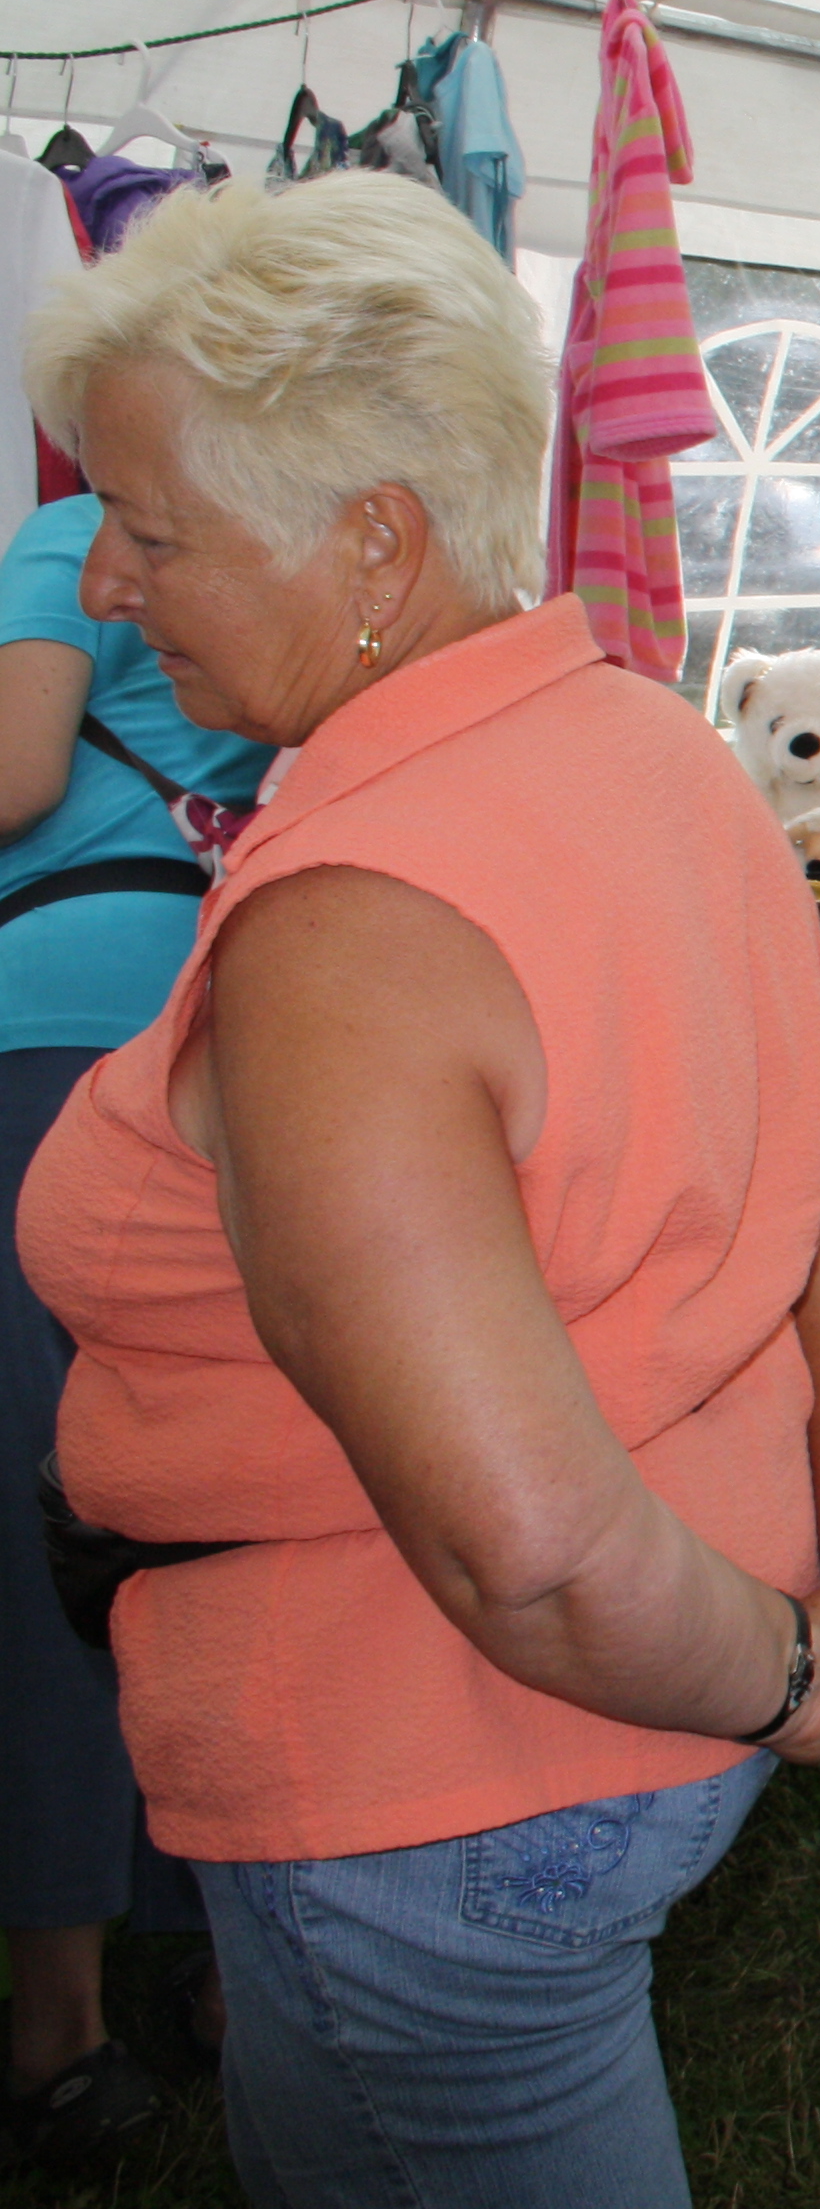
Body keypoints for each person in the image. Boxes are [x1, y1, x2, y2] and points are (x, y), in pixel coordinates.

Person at [20, 171, 820, 2205]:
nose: (103, 581)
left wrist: (801, 1670)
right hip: (625, 1713)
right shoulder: (651, 749)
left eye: (153, 528)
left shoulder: (353, 925)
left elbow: (539, 1560)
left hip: (434, 1778)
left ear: (372, 541)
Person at [0, 486, 269, 2170]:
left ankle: (58, 2028)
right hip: (245, 1034)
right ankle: (246, 1961)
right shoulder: (289, 525)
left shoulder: (73, 532)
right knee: (221, 1505)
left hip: (57, 1035)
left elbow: (15, 777)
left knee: (39, 1517)